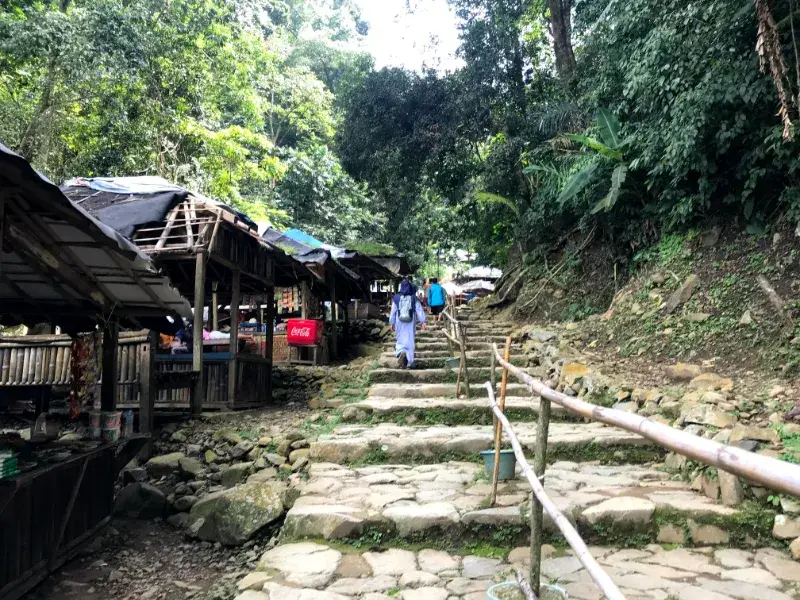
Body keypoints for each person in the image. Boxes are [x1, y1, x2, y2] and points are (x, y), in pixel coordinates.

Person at [389, 279, 427, 369]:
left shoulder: (396, 298)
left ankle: (400, 352)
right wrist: (423, 322)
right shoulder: (414, 298)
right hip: (410, 321)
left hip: (399, 321)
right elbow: (419, 310)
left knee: (400, 338)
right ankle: (410, 363)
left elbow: (393, 311)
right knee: (410, 340)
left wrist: (392, 322)